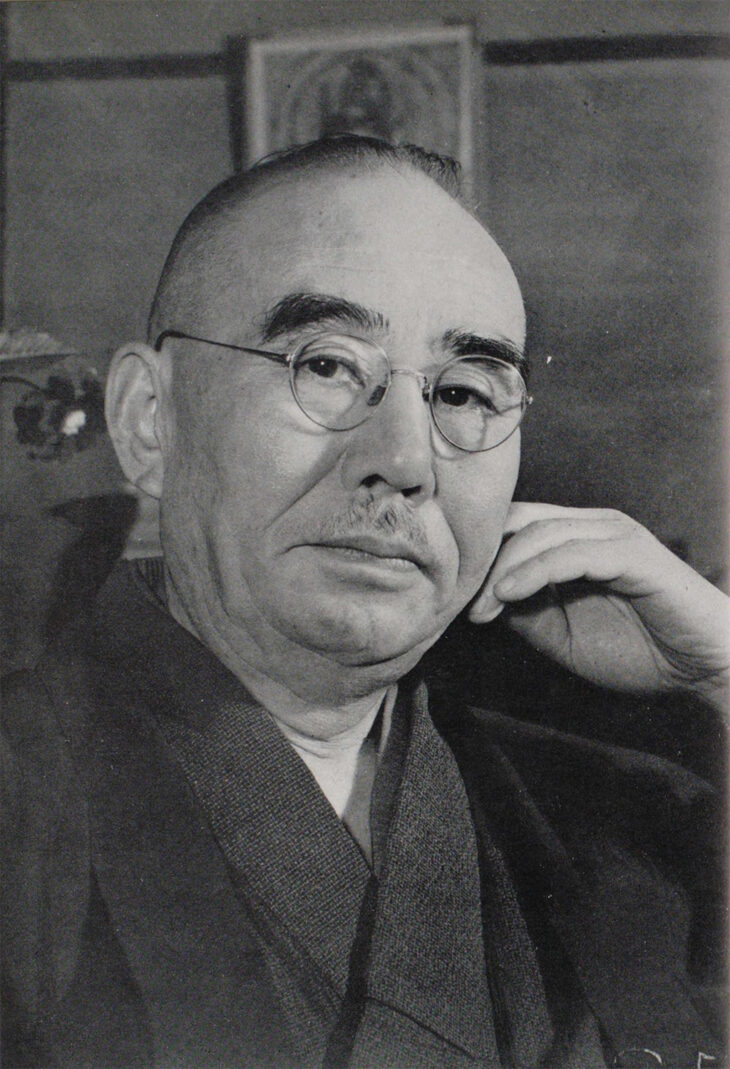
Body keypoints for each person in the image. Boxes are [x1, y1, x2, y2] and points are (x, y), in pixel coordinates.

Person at [2, 135, 727, 1069]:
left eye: (463, 391)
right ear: (151, 421)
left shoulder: (629, 827)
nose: (407, 458)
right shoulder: (27, 809)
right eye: (327, 366)